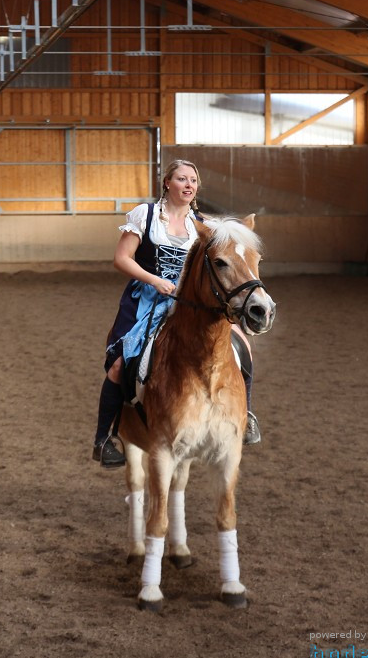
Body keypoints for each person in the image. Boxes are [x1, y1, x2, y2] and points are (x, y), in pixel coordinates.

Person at [92, 159, 263, 468]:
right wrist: (154, 280)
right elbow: (121, 258)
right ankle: (105, 438)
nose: (189, 185)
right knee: (119, 364)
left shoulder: (204, 225)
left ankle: (246, 415)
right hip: (147, 297)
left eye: (193, 180)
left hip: (190, 300)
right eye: (182, 179)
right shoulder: (144, 216)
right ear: (167, 184)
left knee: (242, 347)